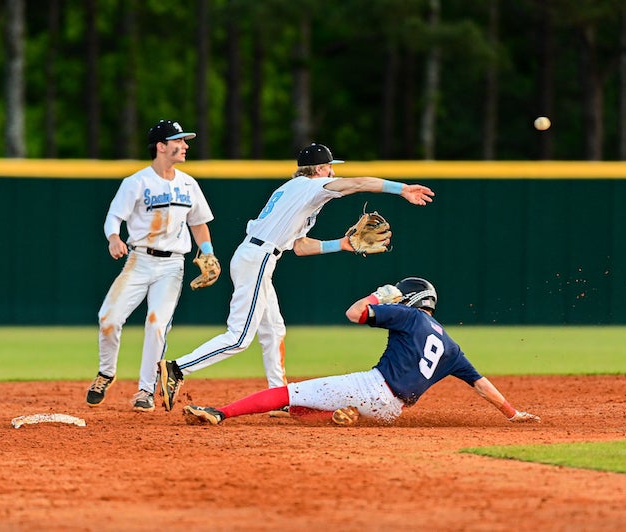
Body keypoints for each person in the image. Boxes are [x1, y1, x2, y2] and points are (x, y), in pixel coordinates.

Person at [158, 143, 435, 414]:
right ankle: (178, 367)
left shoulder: (293, 191)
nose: (333, 174)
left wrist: (340, 244)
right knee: (240, 337)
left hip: (257, 256)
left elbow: (299, 247)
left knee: (274, 330)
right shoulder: (311, 186)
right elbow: (358, 183)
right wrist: (402, 189)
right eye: (330, 168)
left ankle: (278, 395)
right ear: (320, 169)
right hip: (258, 259)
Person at [181, 277, 540, 426]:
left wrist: (378, 296)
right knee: (301, 411)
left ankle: (220, 413)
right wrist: (512, 413)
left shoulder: (407, 314)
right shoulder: (450, 344)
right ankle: (343, 416)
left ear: (412, 300)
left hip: (372, 387)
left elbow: (354, 313)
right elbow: (480, 384)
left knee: (285, 395)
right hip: (392, 412)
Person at [85, 120, 218, 412]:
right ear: (161, 146)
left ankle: (145, 391)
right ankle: (106, 373)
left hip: (172, 266)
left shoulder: (188, 184)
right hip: (139, 260)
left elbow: (199, 224)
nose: (185, 146)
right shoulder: (137, 182)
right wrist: (113, 239)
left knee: (156, 326)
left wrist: (207, 253)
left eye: (185, 141)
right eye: (179, 141)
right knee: (108, 319)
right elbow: (114, 217)